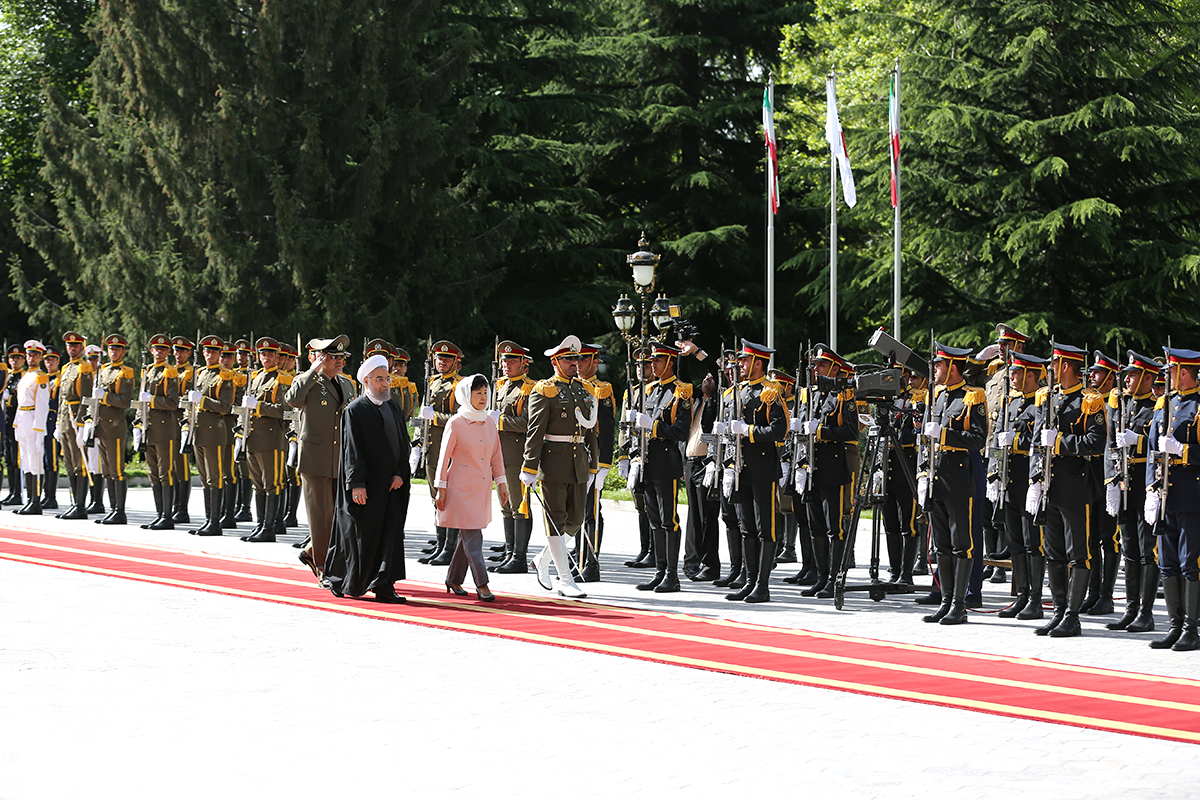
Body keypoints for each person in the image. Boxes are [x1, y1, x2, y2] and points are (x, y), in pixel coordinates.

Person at [1028, 343, 1106, 637]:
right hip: (1051, 486)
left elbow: (1096, 443)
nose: (1050, 369)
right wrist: (1036, 479)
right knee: (1053, 553)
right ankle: (1059, 611)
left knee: (1079, 554)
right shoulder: (1047, 398)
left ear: (1065, 366)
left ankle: (1073, 616)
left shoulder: (1090, 401)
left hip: (1076, 487)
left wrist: (1060, 443)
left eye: (1055, 364)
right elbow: (1038, 441)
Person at [322, 354, 410, 603]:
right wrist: (357, 484)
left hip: (391, 485)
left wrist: (400, 473)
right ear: (366, 381)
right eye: (379, 379)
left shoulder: (393, 405)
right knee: (361, 537)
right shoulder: (355, 410)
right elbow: (352, 450)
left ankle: (384, 586)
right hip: (367, 488)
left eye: (387, 378)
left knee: (390, 536)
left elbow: (402, 444)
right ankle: (348, 581)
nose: (385, 384)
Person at [522, 335, 595, 599]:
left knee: (575, 521)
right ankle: (565, 579)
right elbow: (535, 430)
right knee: (556, 520)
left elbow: (591, 431)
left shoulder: (583, 389)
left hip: (578, 462)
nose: (575, 363)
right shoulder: (545, 390)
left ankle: (542, 560)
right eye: (569, 359)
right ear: (555, 362)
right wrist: (529, 467)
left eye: (577, 358)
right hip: (553, 462)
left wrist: (595, 466)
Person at [919, 342, 988, 625]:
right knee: (942, 545)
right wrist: (923, 474)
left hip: (960, 478)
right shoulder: (934, 397)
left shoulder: (973, 397)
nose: (934, 370)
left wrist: (945, 435)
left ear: (953, 368)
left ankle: (960, 604)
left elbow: (978, 439)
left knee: (961, 544)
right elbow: (925, 441)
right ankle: (946, 600)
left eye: (939, 365)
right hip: (937, 477)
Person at [722, 340, 788, 603]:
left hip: (762, 468)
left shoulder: (771, 392)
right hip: (741, 468)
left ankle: (763, 585)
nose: (741, 364)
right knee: (746, 527)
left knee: (764, 528)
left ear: (758, 363)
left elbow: (779, 431)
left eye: (745, 361)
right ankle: (749, 581)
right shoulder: (736, 392)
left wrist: (748, 431)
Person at [284, 335, 356, 576]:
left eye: (342, 357)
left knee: (338, 514)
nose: (340, 362)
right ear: (321, 358)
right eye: (334, 357)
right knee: (320, 516)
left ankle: (314, 552)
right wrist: (312, 370)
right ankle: (324, 566)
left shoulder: (347, 384)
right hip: (315, 457)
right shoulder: (307, 381)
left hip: (339, 457)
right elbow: (292, 400)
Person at [1145, 347, 1200, 650]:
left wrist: (1183, 451)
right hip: (1165, 493)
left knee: (1189, 561)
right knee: (1167, 562)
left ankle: (1192, 628)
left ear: (1186, 371)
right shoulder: (1164, 404)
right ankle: (1175, 626)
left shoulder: (1199, 406)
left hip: (1191, 493)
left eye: (1173, 370)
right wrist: (1149, 490)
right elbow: (1153, 451)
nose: (1167, 376)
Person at [435, 374, 508, 601]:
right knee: (473, 537)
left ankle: (454, 578)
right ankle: (482, 583)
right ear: (466, 395)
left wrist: (502, 483)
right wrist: (441, 487)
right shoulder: (456, 423)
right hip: (460, 488)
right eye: (478, 393)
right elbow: (444, 457)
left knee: (468, 535)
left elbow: (496, 456)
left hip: (481, 488)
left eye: (485, 393)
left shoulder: (489, 422)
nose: (483, 397)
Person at [629, 342, 692, 593]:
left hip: (667, 463)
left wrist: (652, 426)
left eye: (656, 361)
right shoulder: (650, 390)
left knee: (669, 520)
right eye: (651, 361)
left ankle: (672, 575)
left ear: (669, 362)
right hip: (648, 462)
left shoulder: (682, 391)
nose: (651, 365)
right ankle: (659, 570)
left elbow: (680, 431)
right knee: (654, 519)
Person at [1106, 351, 1160, 633]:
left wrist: (1138, 441)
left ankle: (1146, 612)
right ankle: (1130, 608)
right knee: (1128, 548)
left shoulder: (1157, 407)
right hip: (1123, 482)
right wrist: (1109, 482)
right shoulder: (1120, 404)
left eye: (1133, 375)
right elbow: (1109, 445)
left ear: (1148, 378)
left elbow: (1159, 447)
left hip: (1144, 483)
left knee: (1146, 551)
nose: (1127, 379)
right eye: (1127, 375)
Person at [994, 351, 1048, 619]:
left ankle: (1035, 599)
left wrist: (1014, 443)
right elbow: (996, 438)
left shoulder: (1041, 403)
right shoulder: (1010, 402)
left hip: (1030, 481)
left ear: (1030, 375)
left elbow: (1040, 442)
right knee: (1015, 541)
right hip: (1010, 479)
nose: (1011, 376)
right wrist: (995, 472)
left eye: (1015, 372)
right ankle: (1021, 595)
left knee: (1032, 542)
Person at [489, 340, 535, 574]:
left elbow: (529, 423)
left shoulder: (529, 389)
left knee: (520, 506)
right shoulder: (500, 386)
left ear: (524, 364)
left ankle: (519, 557)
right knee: (506, 505)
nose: (506, 364)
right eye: (505, 360)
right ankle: (509, 553)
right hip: (499, 455)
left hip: (518, 456)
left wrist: (498, 421)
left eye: (512, 360)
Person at [242, 337, 293, 542]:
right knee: (258, 484)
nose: (266, 358)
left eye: (270, 354)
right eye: (263, 354)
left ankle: (270, 528)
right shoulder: (255, 377)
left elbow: (284, 411)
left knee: (271, 483)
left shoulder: (282, 380)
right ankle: (260, 524)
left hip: (272, 439)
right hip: (254, 437)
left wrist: (258, 406)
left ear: (277, 357)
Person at [417, 340, 463, 566]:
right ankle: (441, 542)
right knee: (436, 498)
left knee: (449, 498)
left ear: (456, 363)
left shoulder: (460, 386)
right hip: (431, 449)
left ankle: (450, 547)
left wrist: (434, 416)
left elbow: (460, 418)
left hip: (449, 450)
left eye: (446, 359)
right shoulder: (431, 382)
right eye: (439, 359)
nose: (442, 363)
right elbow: (422, 416)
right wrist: (418, 441)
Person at [185, 335, 237, 536]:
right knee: (205, 477)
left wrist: (203, 400)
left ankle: (215, 522)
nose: (210, 354)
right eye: (207, 351)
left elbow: (225, 406)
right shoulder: (200, 374)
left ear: (219, 354)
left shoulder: (225, 376)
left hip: (214, 431)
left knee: (215, 477)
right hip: (198, 430)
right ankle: (208, 520)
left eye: (214, 351)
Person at [1082, 351, 1121, 615]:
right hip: (1090, 473)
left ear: (1110, 376)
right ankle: (1093, 591)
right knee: (1091, 536)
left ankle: (1107, 594)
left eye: (1097, 372)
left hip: (1111, 475)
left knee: (1110, 537)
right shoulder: (1090, 401)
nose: (1092, 376)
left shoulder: (1118, 403)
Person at [577, 342, 615, 582]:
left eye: (582, 359)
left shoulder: (602, 389)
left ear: (594, 361)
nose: (578, 364)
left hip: (593, 455)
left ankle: (592, 562)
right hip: (574, 455)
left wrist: (604, 465)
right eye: (575, 360)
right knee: (577, 511)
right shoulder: (570, 386)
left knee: (591, 511)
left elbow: (609, 429)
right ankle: (578, 557)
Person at [137, 333, 181, 530]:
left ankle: (167, 516)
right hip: (149, 428)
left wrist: (152, 400)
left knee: (165, 473)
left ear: (168, 352)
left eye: (163, 349)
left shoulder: (170, 372)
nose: (159, 352)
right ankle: (159, 514)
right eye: (156, 348)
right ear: (152, 350)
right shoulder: (147, 371)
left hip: (164, 429)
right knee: (153, 473)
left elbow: (173, 403)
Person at [55, 332, 94, 520]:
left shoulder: (84, 368)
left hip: (75, 420)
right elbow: (61, 398)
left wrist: (81, 424)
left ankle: (80, 506)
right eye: (70, 346)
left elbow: (86, 398)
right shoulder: (66, 368)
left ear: (82, 347)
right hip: (64, 419)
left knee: (80, 464)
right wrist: (57, 423)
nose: (72, 348)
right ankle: (73, 503)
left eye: (76, 345)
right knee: (69, 464)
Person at [13, 340, 50, 515]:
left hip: (34, 420)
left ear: (41, 357)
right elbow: (19, 403)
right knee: (26, 462)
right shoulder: (25, 376)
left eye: (35, 355)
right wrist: (15, 424)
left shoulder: (40, 377)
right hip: (23, 419)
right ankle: (29, 500)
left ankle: (36, 501)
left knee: (35, 462)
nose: (31, 358)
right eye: (29, 355)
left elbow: (43, 406)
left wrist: (39, 430)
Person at [3, 344, 27, 506]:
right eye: (12, 358)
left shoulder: (24, 377)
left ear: (23, 360)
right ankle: (12, 492)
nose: (14, 360)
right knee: (8, 459)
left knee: (17, 459)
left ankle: (18, 493)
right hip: (5, 424)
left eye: (18, 358)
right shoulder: (7, 376)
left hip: (17, 423)